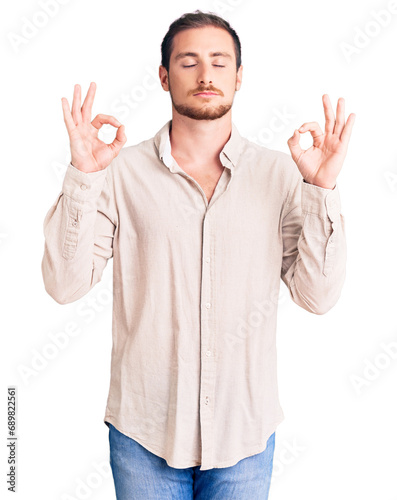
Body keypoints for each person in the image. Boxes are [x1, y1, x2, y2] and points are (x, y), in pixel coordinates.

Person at [41, 10, 355, 500]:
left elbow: (317, 298)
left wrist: (322, 188)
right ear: (164, 77)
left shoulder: (284, 175)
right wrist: (84, 177)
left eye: (219, 62)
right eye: (188, 62)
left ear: (239, 76)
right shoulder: (118, 172)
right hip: (144, 434)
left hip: (245, 438)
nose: (206, 75)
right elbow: (64, 286)